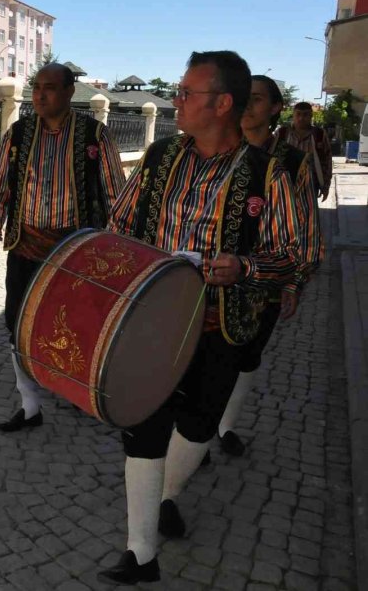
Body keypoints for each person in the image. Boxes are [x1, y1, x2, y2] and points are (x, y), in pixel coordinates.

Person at [100, 51, 301, 585]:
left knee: (198, 427)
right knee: (143, 427)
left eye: (188, 93)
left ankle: (166, 494)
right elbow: (118, 222)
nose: (177, 101)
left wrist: (246, 266)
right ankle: (141, 553)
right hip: (152, 322)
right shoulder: (160, 154)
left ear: (223, 104)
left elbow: (295, 253)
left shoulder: (269, 172)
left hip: (221, 324)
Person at [0, 63, 125, 432]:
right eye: (36, 88)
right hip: (25, 244)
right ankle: (30, 404)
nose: (40, 95)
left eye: (50, 88)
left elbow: (115, 195)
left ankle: (76, 389)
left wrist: (116, 251)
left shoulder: (94, 135)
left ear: (69, 92)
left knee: (75, 325)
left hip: (75, 252)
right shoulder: (19, 133)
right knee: (18, 323)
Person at [210, 75, 323, 460]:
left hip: (267, 279)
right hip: (214, 276)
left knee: (247, 357)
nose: (248, 106)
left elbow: (306, 227)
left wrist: (295, 284)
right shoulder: (217, 149)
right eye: (243, 97)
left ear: (275, 108)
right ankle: (193, 434)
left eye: (257, 99)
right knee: (203, 356)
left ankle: (224, 426)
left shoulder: (292, 163)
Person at [277, 101, 333, 201]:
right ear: (293, 115)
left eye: (305, 115)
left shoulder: (319, 135)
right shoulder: (282, 133)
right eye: (298, 114)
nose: (301, 118)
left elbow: (327, 161)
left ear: (311, 116)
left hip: (310, 184)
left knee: (309, 215)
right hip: (284, 184)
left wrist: (326, 186)